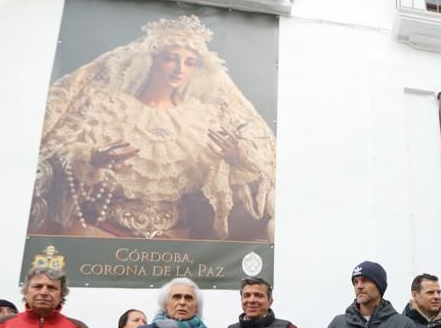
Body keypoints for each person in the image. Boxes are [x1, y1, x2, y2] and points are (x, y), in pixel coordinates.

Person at [30, 14, 276, 241]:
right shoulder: (110, 107)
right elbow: (61, 152)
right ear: (150, 60)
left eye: (189, 62)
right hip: (102, 229)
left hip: (174, 236)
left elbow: (224, 186)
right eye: (171, 59)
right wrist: (94, 158)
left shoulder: (200, 119)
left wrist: (236, 159)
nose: (180, 69)